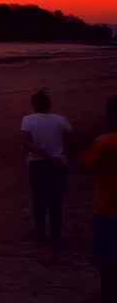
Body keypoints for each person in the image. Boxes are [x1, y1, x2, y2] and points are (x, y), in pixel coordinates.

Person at [21, 90, 73, 245]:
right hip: (58, 164)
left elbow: (26, 143)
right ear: (49, 104)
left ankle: (39, 231)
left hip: (37, 164)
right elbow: (71, 142)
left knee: (39, 198)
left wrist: (45, 154)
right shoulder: (61, 120)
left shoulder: (28, 120)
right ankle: (56, 236)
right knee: (56, 200)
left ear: (33, 105)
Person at [83, 95, 117, 301]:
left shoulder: (104, 141)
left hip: (108, 208)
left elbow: (87, 168)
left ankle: (108, 293)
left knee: (105, 255)